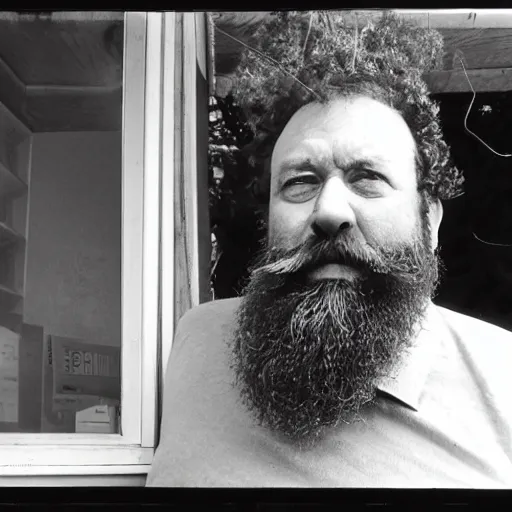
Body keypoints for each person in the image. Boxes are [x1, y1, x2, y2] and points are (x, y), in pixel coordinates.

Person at [147, 70, 512, 488]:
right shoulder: (199, 338)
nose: (329, 211)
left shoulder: (503, 381)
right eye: (300, 182)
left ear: (428, 220)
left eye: (368, 178)